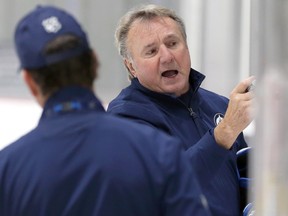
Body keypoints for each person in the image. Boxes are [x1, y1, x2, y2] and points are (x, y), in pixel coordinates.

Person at [0, 5, 212, 216]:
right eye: (151, 51)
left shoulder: (7, 170)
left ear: (29, 82)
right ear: (94, 63)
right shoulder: (158, 151)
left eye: (172, 43)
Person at [107, 4, 255, 216]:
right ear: (131, 66)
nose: (167, 57)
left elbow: (243, 179)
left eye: (173, 43)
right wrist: (224, 133)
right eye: (151, 51)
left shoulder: (220, 105)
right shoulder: (123, 119)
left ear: (186, 47)